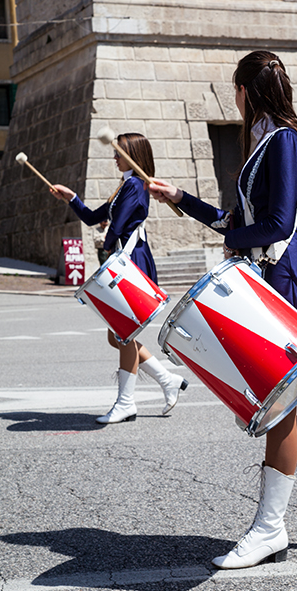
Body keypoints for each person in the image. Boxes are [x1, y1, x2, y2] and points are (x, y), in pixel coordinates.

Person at [148, 50, 297, 570]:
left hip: (284, 279)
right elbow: (237, 220)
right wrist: (180, 197)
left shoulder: (285, 140)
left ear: (247, 91)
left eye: (235, 89)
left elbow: (275, 224)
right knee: (280, 405)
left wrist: (235, 243)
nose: (235, 99)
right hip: (268, 277)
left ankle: (270, 529)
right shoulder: (269, 139)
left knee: (276, 406)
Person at [50, 133, 188, 423]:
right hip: (126, 261)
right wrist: (71, 197)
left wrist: (107, 244)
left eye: (119, 152)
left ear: (133, 156)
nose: (114, 157)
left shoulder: (135, 185)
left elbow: (118, 225)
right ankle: (168, 380)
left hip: (131, 262)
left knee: (123, 335)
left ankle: (126, 403)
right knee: (118, 337)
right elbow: (93, 217)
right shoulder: (127, 185)